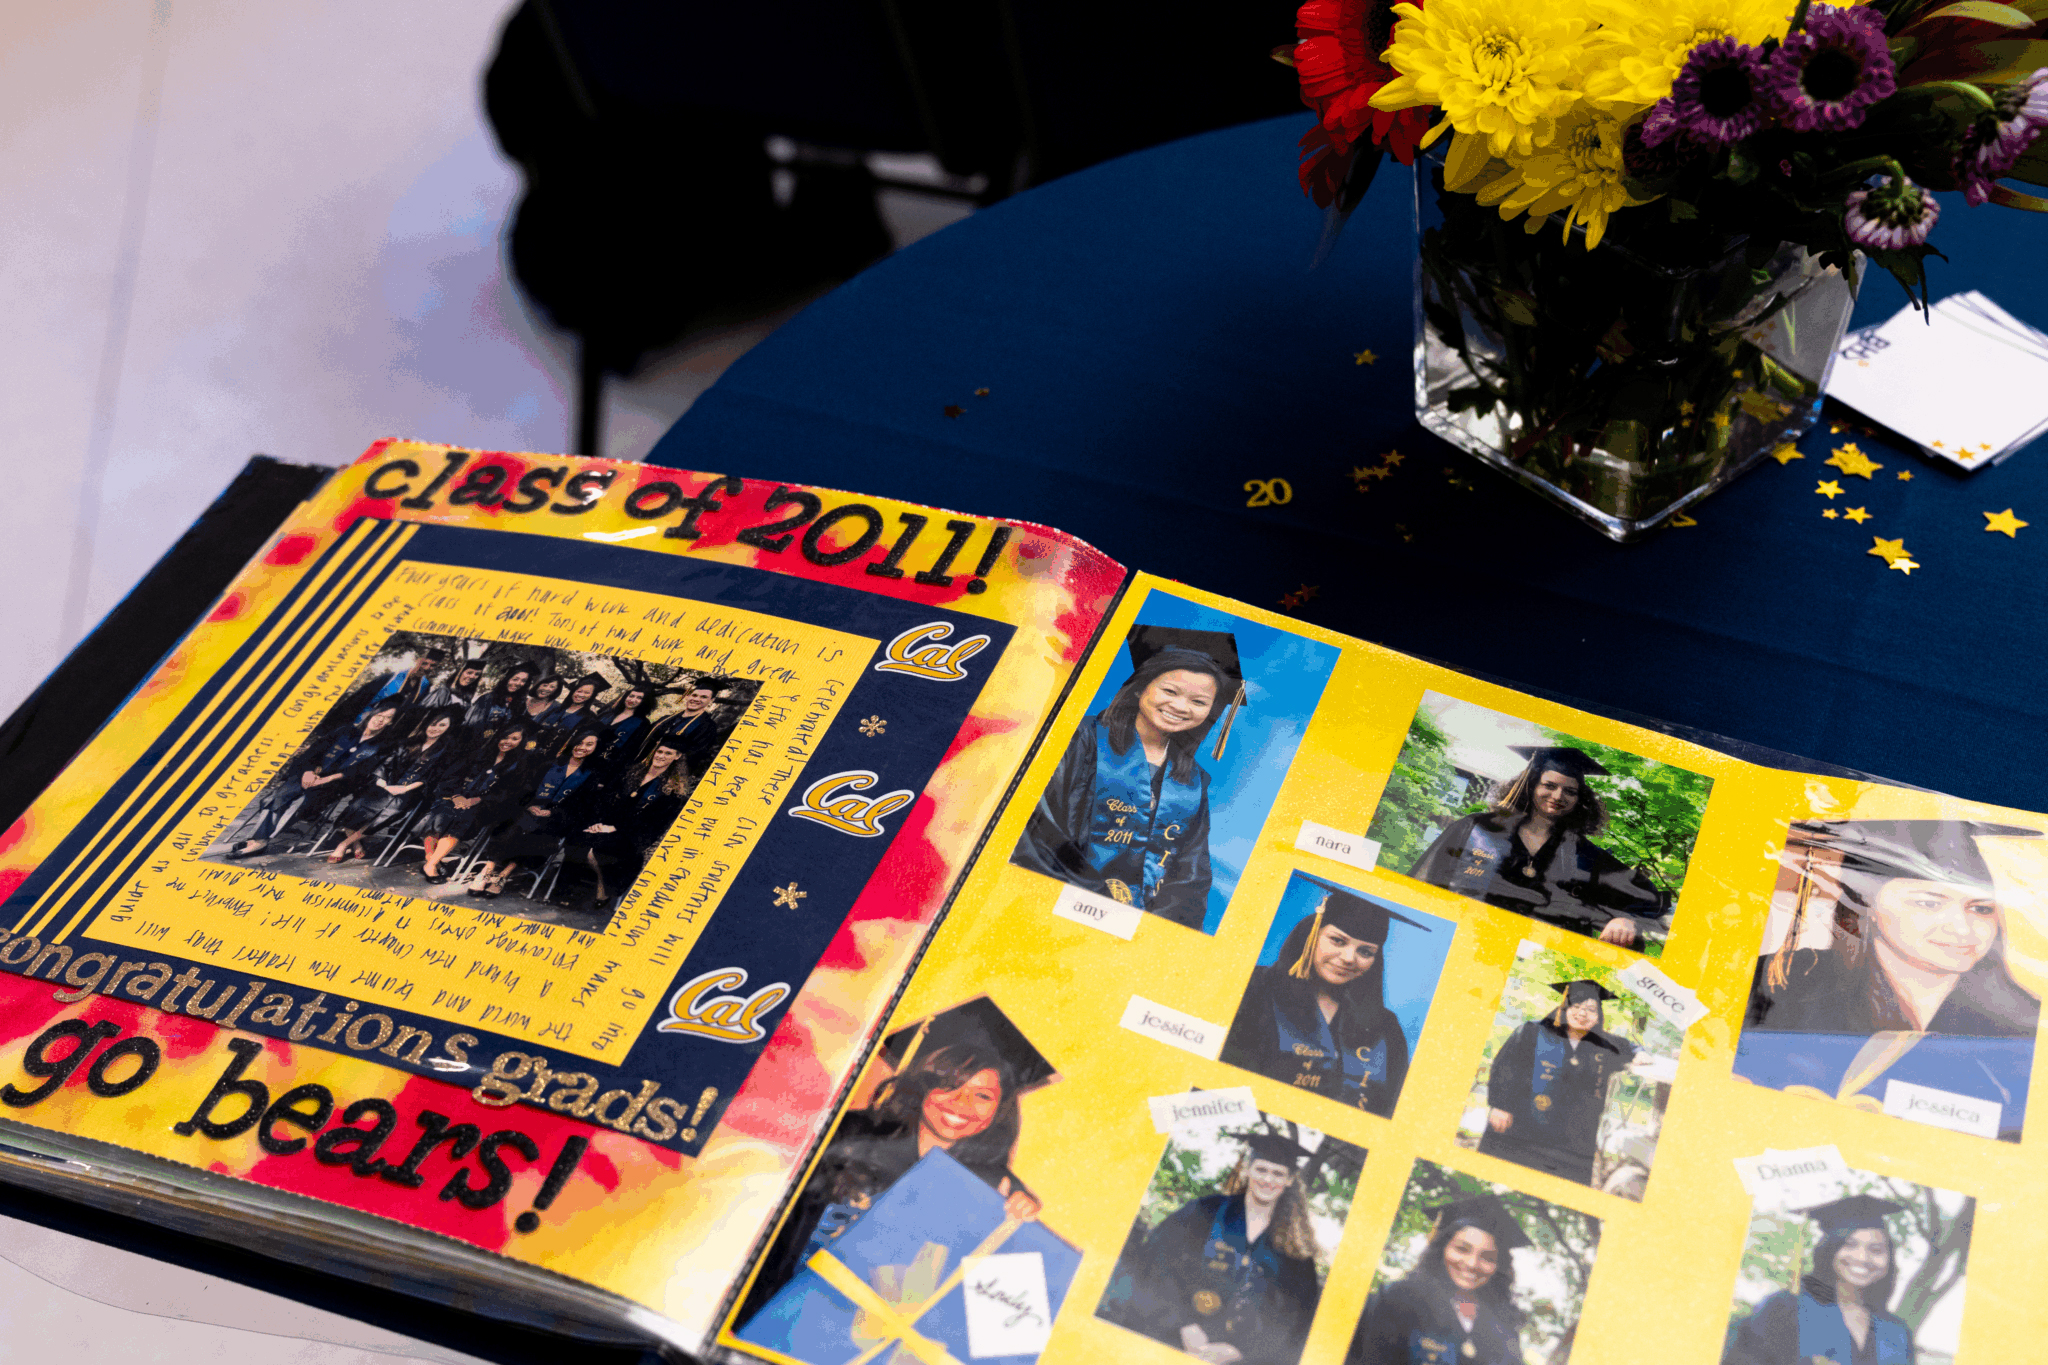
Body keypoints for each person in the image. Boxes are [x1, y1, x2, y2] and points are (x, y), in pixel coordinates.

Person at [737, 997, 1054, 1325]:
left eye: (983, 1095)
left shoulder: (991, 1186)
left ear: (996, 1114)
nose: (962, 1102)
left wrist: (1019, 1215)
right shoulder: (850, 1132)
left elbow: (987, 1294)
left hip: (859, 1334)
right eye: (948, 1085)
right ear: (923, 1087)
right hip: (775, 1302)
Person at [1011, 626, 1246, 928]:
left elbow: (1191, 874)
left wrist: (1155, 928)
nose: (1179, 706)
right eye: (1169, 691)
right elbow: (1039, 827)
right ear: (1139, 687)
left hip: (1134, 927)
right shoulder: (1080, 739)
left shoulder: (1193, 781)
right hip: (1051, 904)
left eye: (1198, 702)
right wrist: (1100, 901)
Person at [1409, 747, 1667, 947]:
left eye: (1570, 791)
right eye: (1549, 785)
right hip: (1458, 938)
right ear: (1531, 784)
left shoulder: (1586, 856)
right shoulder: (1476, 829)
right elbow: (1420, 885)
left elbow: (1650, 900)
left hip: (1532, 962)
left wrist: (1626, 920)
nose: (1558, 796)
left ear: (1580, 799)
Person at [1221, 879, 1429, 1117]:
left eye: (1366, 952)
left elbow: (1390, 1108)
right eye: (1338, 941)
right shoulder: (1253, 986)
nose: (1350, 957)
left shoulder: (1384, 1027)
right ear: (1312, 934)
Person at [1126, 1131, 1321, 1365]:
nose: (1268, 1180)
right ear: (1248, 1169)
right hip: (1168, 1343)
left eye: (1278, 1173)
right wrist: (1181, 1322)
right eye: (1261, 1169)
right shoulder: (1204, 1212)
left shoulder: (1296, 1253)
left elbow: (1296, 1323)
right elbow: (1153, 1264)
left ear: (1289, 1180)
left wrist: (1239, 1352)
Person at [1478, 980, 1638, 1186]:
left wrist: (1639, 1054)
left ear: (1598, 1016)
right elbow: (1506, 1066)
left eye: (1590, 1009)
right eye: (1576, 1006)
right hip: (1519, 1124)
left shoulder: (1603, 1044)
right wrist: (1501, 1105)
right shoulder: (1532, 1031)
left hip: (1568, 1139)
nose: (1582, 1013)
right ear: (1564, 1007)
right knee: (1501, 1178)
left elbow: (1632, 1048)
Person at [1722, 1195, 1915, 1365]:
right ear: (1829, 1250)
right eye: (1849, 1244)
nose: (1863, 1258)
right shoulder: (1785, 1309)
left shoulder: (1897, 1332)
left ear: (1889, 1259)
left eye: (1876, 1250)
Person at [1348, 1193, 1530, 1365]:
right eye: (1462, 1249)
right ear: (1443, 1248)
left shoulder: (1503, 1326)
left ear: (1498, 1267)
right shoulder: (1399, 1298)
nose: (1472, 1263)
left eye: (1487, 1257)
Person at [225, 701, 402, 858]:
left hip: (332, 786)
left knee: (301, 803)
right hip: (307, 775)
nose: (380, 720)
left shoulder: (382, 746)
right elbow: (313, 753)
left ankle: (258, 840)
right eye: (379, 714)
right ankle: (259, 841)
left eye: (387, 718)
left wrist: (324, 780)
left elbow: (360, 772)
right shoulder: (345, 731)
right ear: (372, 713)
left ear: (391, 723)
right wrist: (308, 772)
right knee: (279, 795)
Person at [462, 728, 604, 897]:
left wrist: (552, 814)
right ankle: (487, 870)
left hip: (556, 817)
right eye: (580, 742)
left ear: (596, 748)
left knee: (536, 833)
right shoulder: (549, 765)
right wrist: (529, 805)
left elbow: (580, 806)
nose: (582, 747)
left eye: (589, 744)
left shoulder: (591, 776)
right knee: (513, 824)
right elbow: (525, 789)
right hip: (529, 808)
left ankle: (503, 875)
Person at [323, 706, 462, 864]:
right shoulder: (407, 743)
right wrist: (383, 783)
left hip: (411, 792)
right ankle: (356, 843)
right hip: (384, 785)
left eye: (442, 725)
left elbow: (432, 778)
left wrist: (404, 788)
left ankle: (343, 845)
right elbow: (384, 765)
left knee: (388, 811)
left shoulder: (446, 752)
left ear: (449, 728)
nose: (435, 728)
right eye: (433, 724)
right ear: (425, 724)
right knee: (357, 805)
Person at [566, 738, 689, 909]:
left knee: (595, 851)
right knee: (575, 839)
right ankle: (567, 889)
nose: (661, 756)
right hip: (605, 824)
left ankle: (602, 890)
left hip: (631, 836)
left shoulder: (672, 791)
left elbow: (651, 823)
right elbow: (605, 799)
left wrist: (615, 828)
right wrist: (598, 823)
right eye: (660, 751)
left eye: (668, 753)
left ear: (677, 756)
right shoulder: (632, 773)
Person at [416, 723, 531, 882]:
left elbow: (507, 793)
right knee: (441, 812)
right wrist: (456, 796)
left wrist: (475, 800)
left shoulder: (518, 766)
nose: (507, 741)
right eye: (505, 736)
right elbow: (452, 776)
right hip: (453, 796)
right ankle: (431, 862)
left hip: (483, 805)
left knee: (464, 816)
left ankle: (432, 862)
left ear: (521, 741)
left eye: (514, 738)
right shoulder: (478, 754)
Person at [641, 680, 727, 779]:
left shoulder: (707, 727)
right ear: (688, 696)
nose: (696, 699)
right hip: (638, 765)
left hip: (664, 776)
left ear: (711, 700)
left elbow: (693, 757)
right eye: (694, 695)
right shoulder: (666, 718)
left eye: (703, 697)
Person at [464, 663, 535, 741]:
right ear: (507, 679)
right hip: (475, 743)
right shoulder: (487, 698)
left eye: (523, 681)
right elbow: (471, 725)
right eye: (515, 679)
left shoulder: (519, 704)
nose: (518, 683)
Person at [594, 685, 653, 770]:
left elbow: (628, 751)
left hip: (604, 765)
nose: (632, 700)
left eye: (639, 698)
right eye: (631, 696)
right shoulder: (609, 713)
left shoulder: (643, 724)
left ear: (645, 702)